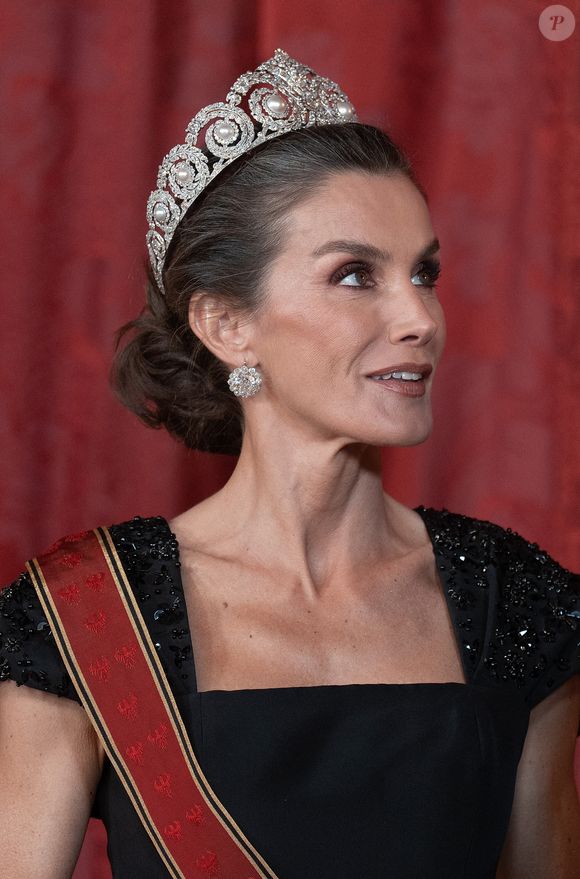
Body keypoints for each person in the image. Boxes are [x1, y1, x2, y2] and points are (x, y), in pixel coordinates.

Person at [0, 48, 579, 879]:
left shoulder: (512, 601)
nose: (420, 316)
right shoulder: (82, 617)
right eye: (355, 275)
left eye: (425, 272)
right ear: (227, 324)